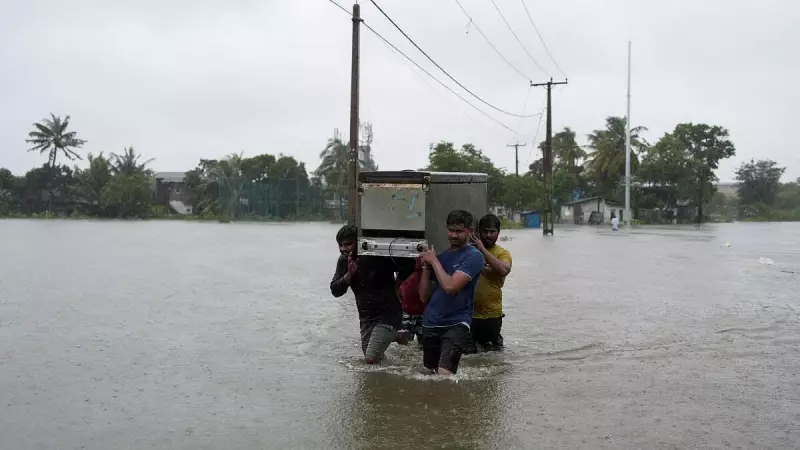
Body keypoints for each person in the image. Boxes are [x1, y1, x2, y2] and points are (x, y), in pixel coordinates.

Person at [330, 225, 410, 364]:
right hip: (366, 317)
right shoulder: (343, 261)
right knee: (376, 363)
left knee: (370, 358)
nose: (344, 249)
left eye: (348, 244)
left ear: (359, 242)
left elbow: (408, 263)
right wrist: (349, 275)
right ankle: (396, 335)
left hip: (388, 314)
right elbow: (335, 290)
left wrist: (398, 285)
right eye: (341, 245)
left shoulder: (376, 256)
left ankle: (393, 332)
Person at [419, 210, 485, 376]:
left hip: (456, 323)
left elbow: (450, 287)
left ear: (470, 231)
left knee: (444, 376)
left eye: (459, 231)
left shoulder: (474, 257)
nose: (454, 235)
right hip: (431, 322)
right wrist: (426, 267)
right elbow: (423, 296)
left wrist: (433, 261)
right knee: (428, 375)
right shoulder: (441, 258)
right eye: (451, 230)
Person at [468, 214, 513, 352]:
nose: (488, 235)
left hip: (491, 315)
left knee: (492, 356)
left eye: (492, 232)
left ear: (498, 233)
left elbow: (504, 269)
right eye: (485, 231)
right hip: (468, 314)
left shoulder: (502, 253)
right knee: (468, 355)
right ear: (479, 232)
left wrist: (482, 249)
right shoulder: (469, 251)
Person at [399, 256, 426, 346]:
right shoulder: (407, 264)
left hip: (423, 312)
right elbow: (397, 288)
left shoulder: (430, 265)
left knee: (425, 347)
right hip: (407, 311)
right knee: (403, 346)